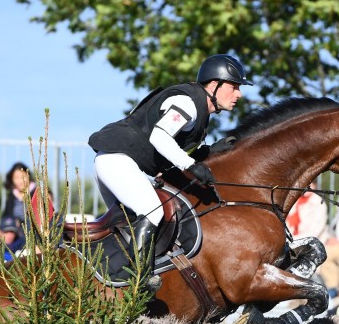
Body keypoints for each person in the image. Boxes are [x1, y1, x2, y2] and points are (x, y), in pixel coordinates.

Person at [88, 54, 250, 290]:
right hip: (117, 161)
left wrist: (207, 152)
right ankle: (138, 283)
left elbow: (169, 149)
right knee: (152, 214)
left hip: (116, 162)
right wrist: (191, 165)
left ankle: (110, 281)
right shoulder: (188, 104)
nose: (239, 94)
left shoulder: (199, 111)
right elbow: (160, 137)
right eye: (234, 87)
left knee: (129, 224)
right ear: (214, 85)